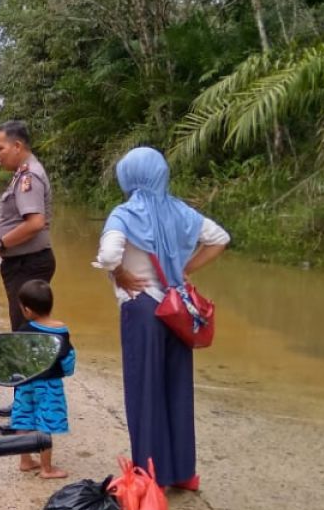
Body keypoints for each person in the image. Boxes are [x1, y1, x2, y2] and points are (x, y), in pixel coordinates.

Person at [93, 146, 229, 490]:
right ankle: (184, 473)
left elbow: (108, 256)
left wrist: (120, 272)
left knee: (145, 392)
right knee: (177, 390)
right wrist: (183, 269)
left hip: (142, 309)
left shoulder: (124, 214)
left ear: (130, 176)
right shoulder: (181, 211)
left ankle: (150, 477)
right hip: (177, 312)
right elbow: (219, 239)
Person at [0, 120, 55, 332]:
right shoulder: (23, 173)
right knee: (26, 328)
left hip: (27, 264)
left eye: (0, 148)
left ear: (17, 146)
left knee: (25, 332)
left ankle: (30, 366)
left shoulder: (29, 176)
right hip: (24, 263)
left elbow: (35, 223)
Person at [8, 279, 75, 479]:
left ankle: (25, 460)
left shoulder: (23, 330)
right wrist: (68, 372)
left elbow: (14, 359)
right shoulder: (61, 331)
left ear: (27, 310)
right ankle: (47, 468)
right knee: (45, 424)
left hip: (25, 384)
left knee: (23, 419)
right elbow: (68, 359)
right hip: (49, 386)